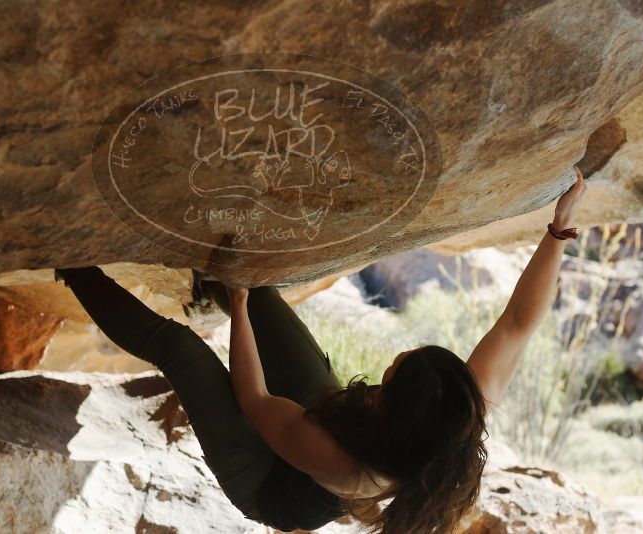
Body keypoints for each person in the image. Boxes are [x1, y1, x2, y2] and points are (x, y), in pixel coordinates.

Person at [56, 166, 587, 533]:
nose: (394, 362)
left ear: (397, 408)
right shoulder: (456, 412)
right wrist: (559, 232)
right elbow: (518, 325)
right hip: (332, 420)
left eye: (395, 374)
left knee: (181, 349)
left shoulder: (344, 467)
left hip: (265, 478)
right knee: (255, 288)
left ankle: (71, 262)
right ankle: (209, 281)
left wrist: (237, 314)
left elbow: (256, 401)